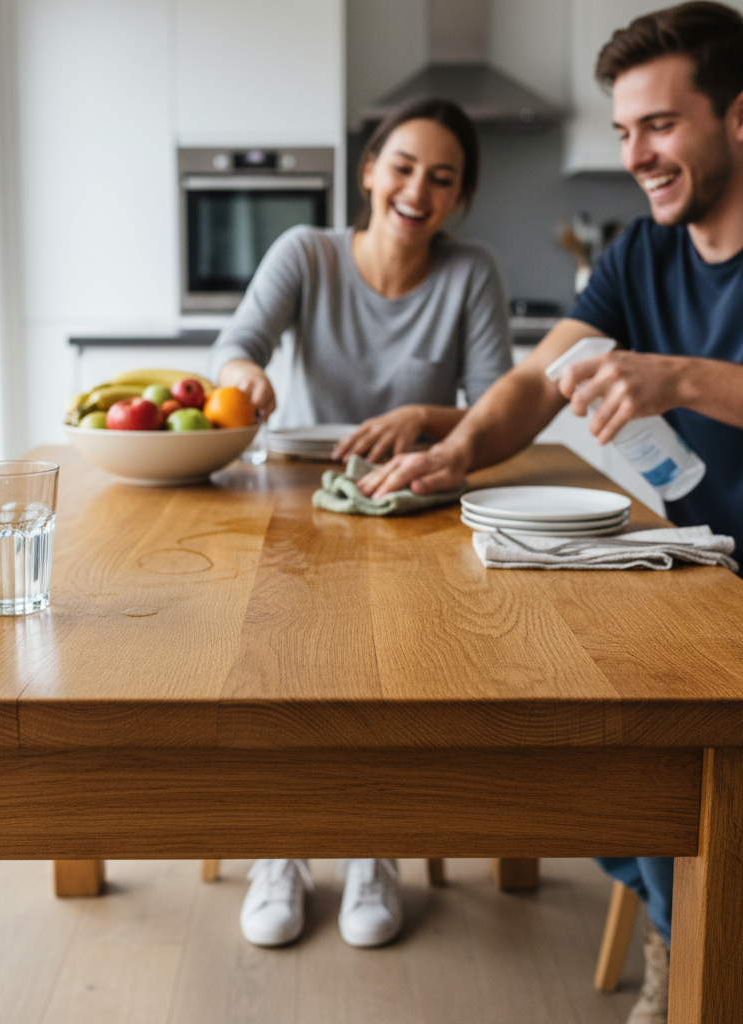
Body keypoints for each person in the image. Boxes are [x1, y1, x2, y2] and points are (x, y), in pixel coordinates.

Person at [355, 4, 743, 1022]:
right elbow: (535, 380)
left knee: (676, 743)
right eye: (621, 131)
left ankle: (718, 949)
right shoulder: (637, 259)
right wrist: (454, 451)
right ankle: (678, 915)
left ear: (741, 115)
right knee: (563, 719)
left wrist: (686, 378)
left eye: (657, 124)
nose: (636, 154)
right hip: (699, 569)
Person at [208, 97, 513, 948]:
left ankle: (374, 845)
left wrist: (424, 412)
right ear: (370, 170)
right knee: (282, 662)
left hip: (415, 507)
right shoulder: (305, 254)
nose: (419, 188)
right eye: (405, 166)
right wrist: (246, 375)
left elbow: (495, 412)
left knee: (400, 664)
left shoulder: (471, 273)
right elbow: (235, 345)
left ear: (458, 199)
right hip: (301, 503)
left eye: (443, 178)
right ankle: (283, 847)